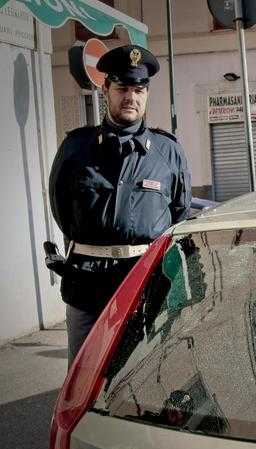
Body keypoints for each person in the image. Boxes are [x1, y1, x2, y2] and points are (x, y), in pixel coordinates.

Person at [49, 45, 191, 364]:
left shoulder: (168, 153)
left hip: (145, 285)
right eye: (122, 88)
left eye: (139, 89)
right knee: (84, 379)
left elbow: (180, 218)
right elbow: (61, 211)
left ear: (146, 94)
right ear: (106, 90)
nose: (131, 97)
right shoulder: (76, 148)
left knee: (142, 378)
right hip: (87, 285)